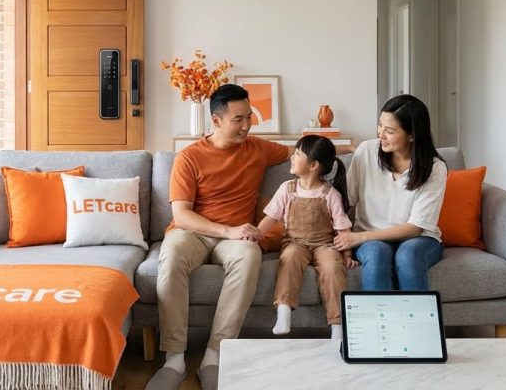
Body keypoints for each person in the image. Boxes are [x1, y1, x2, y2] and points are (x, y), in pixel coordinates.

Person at [146, 84, 291, 390]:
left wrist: (361, 151)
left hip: (236, 239)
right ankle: (174, 358)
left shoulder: (259, 148)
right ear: (216, 120)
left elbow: (305, 151)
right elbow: (181, 215)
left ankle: (215, 355)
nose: (247, 125)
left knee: (250, 256)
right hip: (193, 232)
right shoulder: (189, 158)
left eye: (249, 117)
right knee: (169, 258)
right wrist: (227, 230)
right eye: (238, 119)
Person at [333, 94, 447, 291]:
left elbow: (415, 227)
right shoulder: (367, 151)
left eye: (390, 131)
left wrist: (358, 237)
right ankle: (376, 322)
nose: (380, 135)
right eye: (380, 126)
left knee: (408, 256)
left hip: (418, 239)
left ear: (412, 135)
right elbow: (345, 201)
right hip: (372, 239)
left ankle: (415, 321)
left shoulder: (435, 168)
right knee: (376, 255)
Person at [257, 135, 358, 340]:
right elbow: (270, 219)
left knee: (332, 267)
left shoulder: (330, 194)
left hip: (325, 244)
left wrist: (347, 254)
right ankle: (284, 313)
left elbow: (342, 228)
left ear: (313, 165)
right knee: (290, 259)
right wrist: (255, 235)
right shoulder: (288, 188)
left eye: (297, 154)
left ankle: (338, 325)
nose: (292, 158)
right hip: (295, 242)